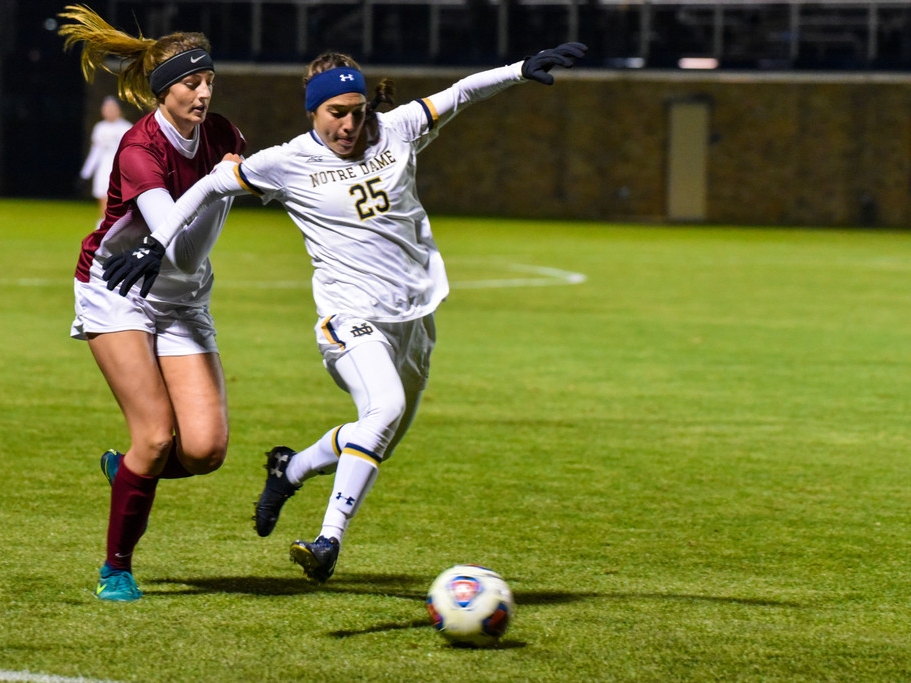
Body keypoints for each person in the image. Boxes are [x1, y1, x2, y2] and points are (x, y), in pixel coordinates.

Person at [102, 42, 587, 583]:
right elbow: (211, 185)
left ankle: (292, 469)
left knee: (377, 434)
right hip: (348, 318)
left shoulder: (396, 129)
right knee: (382, 410)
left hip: (414, 320)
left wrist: (518, 70)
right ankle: (328, 540)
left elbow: (460, 93)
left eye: (358, 111)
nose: (350, 124)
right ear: (314, 112)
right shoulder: (285, 163)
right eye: (337, 113)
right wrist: (156, 241)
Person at [57, 4, 247, 601]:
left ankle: (128, 471)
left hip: (183, 299)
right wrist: (222, 182)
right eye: (192, 82)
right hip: (118, 292)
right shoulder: (140, 149)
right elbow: (182, 246)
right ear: (165, 90)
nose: (204, 91)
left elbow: (189, 262)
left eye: (209, 80)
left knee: (206, 449)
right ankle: (116, 567)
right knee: (158, 434)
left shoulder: (224, 135)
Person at [79, 95, 133, 218]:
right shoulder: (100, 128)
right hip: (103, 169)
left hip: (119, 168)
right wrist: (85, 173)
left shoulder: (126, 127)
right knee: (102, 198)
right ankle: (102, 229)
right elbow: (95, 152)